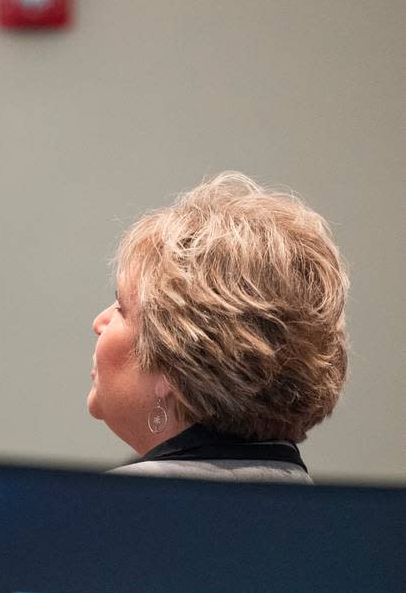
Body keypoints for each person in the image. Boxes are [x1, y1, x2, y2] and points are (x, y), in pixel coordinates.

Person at [87, 172, 348, 482]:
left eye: (121, 308)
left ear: (175, 361)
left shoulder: (86, 519)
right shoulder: (346, 523)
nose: (99, 322)